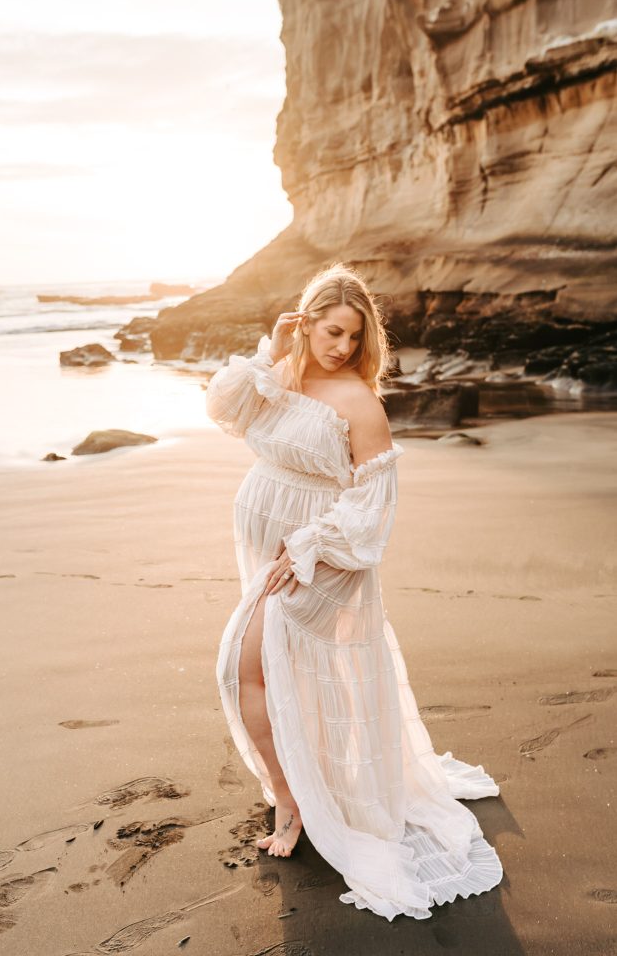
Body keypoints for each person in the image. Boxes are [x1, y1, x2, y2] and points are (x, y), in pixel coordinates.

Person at [205, 263, 503, 922]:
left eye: (351, 336)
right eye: (331, 331)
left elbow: (372, 504)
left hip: (319, 557)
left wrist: (307, 548)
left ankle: (292, 800)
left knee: (241, 666)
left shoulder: (359, 400)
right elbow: (222, 407)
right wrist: (271, 350)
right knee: (274, 668)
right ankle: (296, 790)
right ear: (306, 322)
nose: (341, 347)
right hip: (267, 549)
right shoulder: (277, 378)